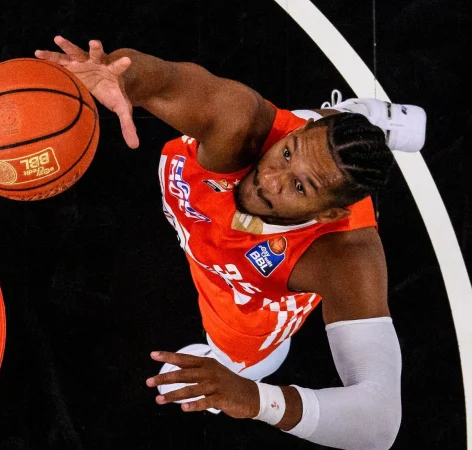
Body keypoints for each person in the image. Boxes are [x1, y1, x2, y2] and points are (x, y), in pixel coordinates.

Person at [35, 35, 426, 449]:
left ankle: (362, 120)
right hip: (230, 199)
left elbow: (379, 422)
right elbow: (165, 81)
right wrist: (119, 75)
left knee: (246, 360)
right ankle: (355, 116)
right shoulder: (241, 125)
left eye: (298, 186)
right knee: (314, 144)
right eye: (288, 154)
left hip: (252, 312)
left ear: (328, 215)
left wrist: (255, 398)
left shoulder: (343, 255)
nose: (269, 178)